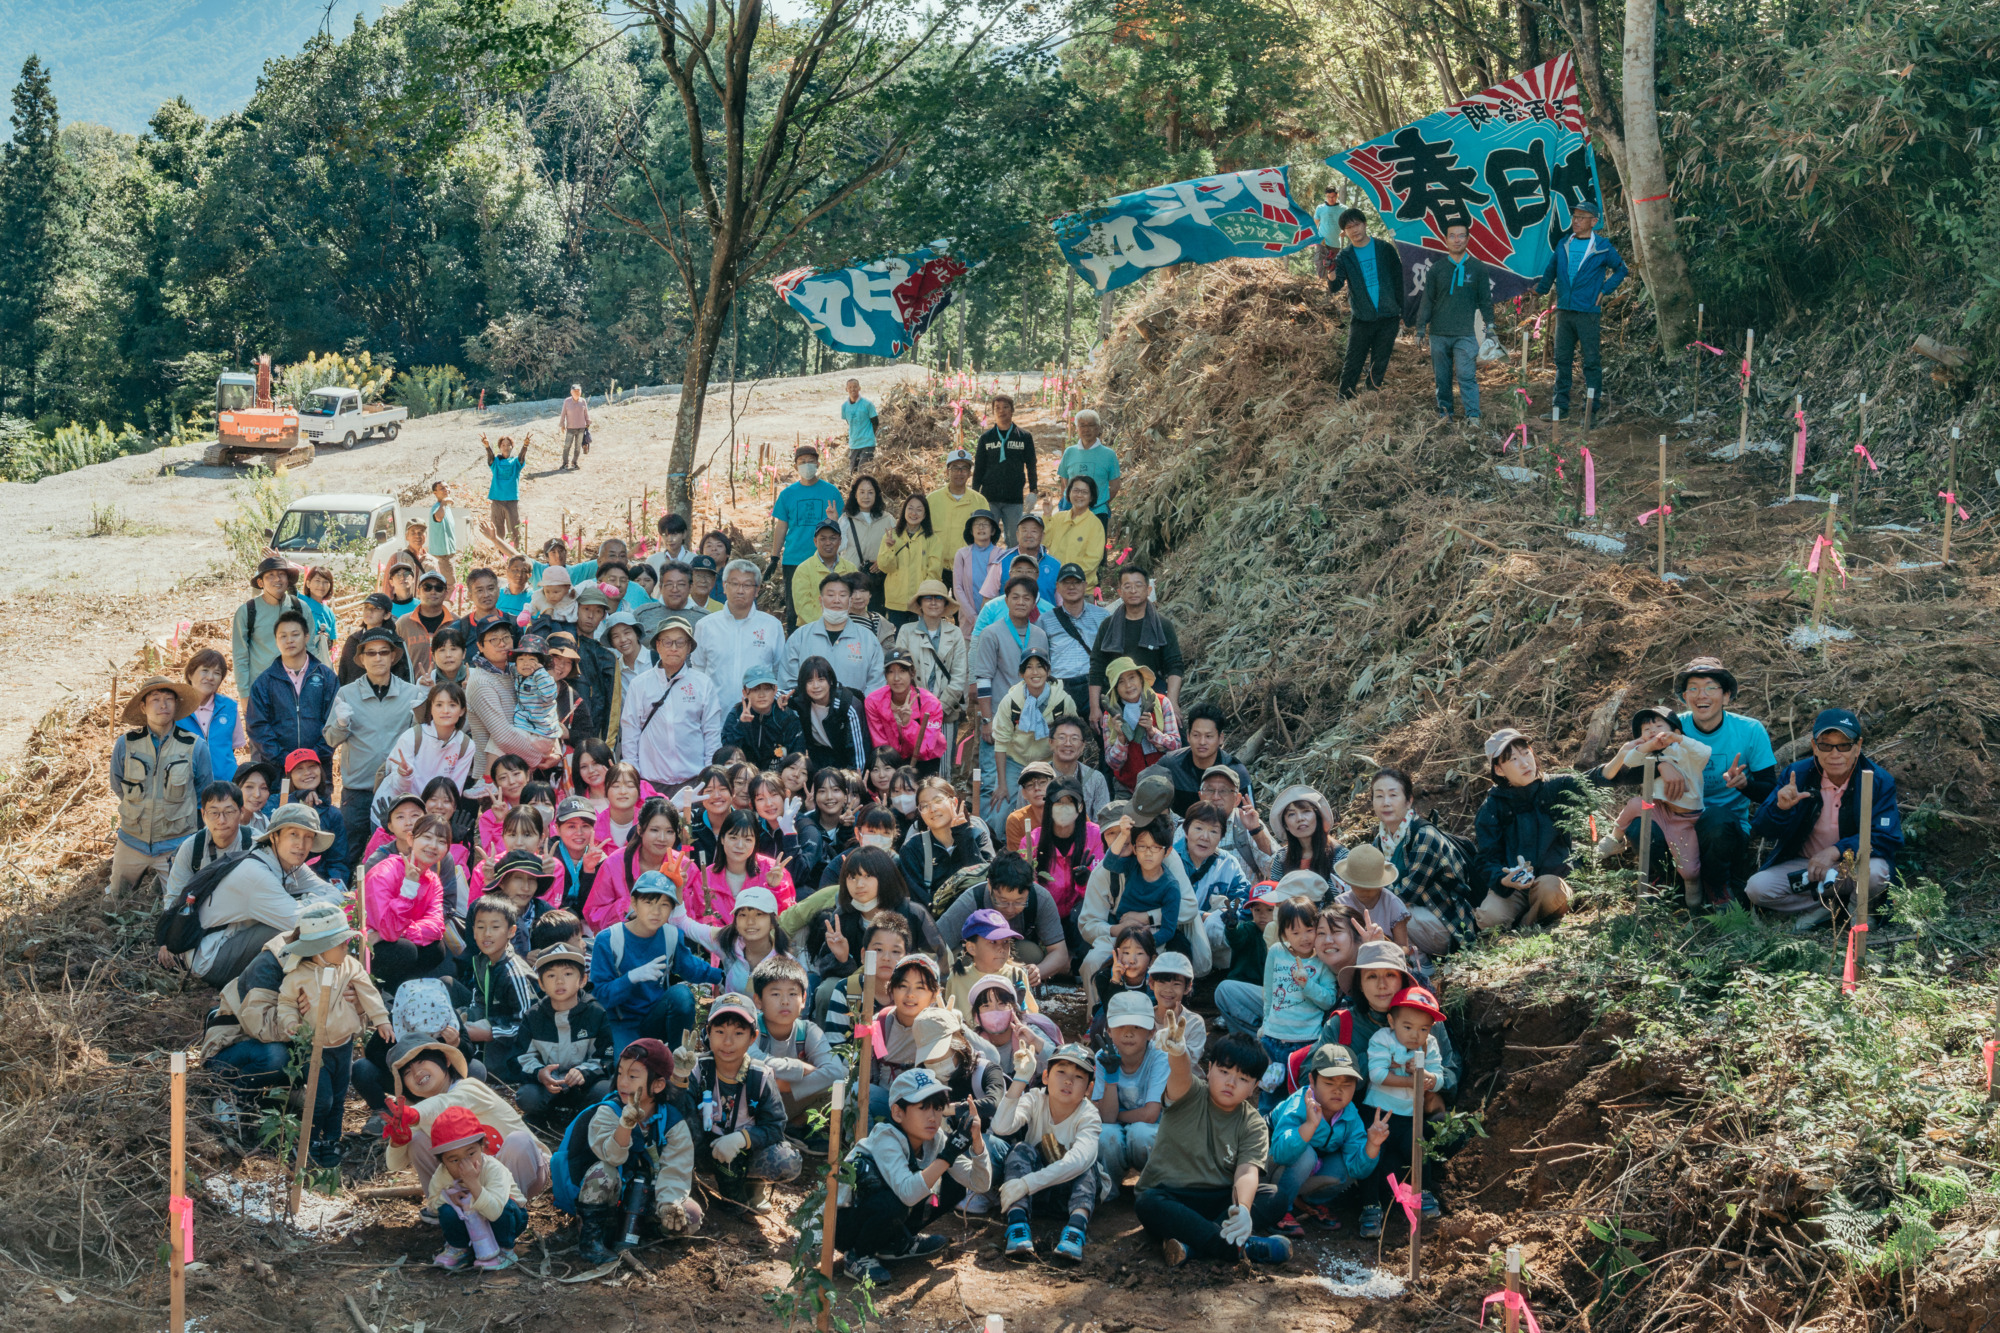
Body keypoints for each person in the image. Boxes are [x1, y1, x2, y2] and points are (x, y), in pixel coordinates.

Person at [201, 901, 392, 1162]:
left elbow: (351, 1015)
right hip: (235, 1045)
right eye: (337, 943)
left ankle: (287, 1098)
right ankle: (232, 1096)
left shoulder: (338, 963)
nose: (344, 948)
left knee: (329, 1088)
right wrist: (304, 1013)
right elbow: (259, 1025)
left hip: (304, 1043)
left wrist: (353, 1004)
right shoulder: (272, 963)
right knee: (276, 1057)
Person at [1132, 1017, 1290, 1267]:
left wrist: (1244, 1210)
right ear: (1209, 1069)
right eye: (1224, 1071)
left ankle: (1191, 1246)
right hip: (1171, 1196)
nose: (1230, 1082)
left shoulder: (1253, 1123)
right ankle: (1237, 1248)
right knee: (1148, 1203)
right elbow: (1180, 1072)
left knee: (1275, 1196)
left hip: (1218, 1201)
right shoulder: (1189, 1093)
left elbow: (1247, 1172)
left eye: (1243, 1078)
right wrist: (1179, 1050)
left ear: (1255, 1087)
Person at [1746, 708, 1901, 929]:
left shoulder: (1878, 781)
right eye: (1826, 745)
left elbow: (1887, 837)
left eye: (1844, 745)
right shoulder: (1797, 775)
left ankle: (1859, 910)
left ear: (1858, 747)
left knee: (1876, 872)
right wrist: (1780, 808)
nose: (1835, 754)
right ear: (1814, 747)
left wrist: (1836, 851)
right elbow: (1764, 828)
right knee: (1757, 888)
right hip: (1807, 868)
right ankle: (1823, 907)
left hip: (1851, 866)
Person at [834, 1066, 991, 1283]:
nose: (932, 1117)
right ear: (898, 1113)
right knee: (896, 1198)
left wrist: (977, 1142)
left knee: (954, 1186)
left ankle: (896, 1243)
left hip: (883, 1213)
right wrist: (949, 1155)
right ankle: (859, 1255)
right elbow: (907, 1194)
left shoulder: (936, 1140)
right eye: (923, 1108)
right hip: (844, 1224)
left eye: (937, 1108)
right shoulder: (886, 1137)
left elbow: (979, 1183)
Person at [164, 801, 344, 987]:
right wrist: (312, 901)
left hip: (236, 939)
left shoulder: (289, 862)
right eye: (293, 834)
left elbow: (334, 893)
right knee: (290, 933)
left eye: (308, 837)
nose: (301, 844)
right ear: (274, 837)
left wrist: (310, 901)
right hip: (210, 957)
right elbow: (298, 922)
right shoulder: (256, 873)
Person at [554, 1039, 701, 1263]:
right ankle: (592, 1239)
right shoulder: (608, 1111)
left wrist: (669, 1204)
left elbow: (676, 1169)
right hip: (611, 1197)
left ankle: (648, 1230)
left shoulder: (671, 1121)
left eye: (633, 1076)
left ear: (658, 1085)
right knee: (603, 1172)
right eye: (620, 1073)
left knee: (689, 1216)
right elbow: (611, 1157)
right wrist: (625, 1126)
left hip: (648, 1194)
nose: (623, 1082)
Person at [674, 991, 803, 1212]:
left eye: (739, 1033)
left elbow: (774, 1127)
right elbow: (676, 1115)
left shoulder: (760, 1076)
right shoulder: (695, 1068)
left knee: (787, 1161)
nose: (727, 1041)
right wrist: (678, 1079)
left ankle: (752, 1184)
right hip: (703, 1148)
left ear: (753, 1037)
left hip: (743, 1149)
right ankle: (686, 1186)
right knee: (677, 1131)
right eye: (720, 1031)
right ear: (708, 1033)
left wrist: (741, 1139)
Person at [1673, 656, 1779, 907]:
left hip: (1728, 827)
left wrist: (1745, 785)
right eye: (1694, 688)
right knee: (1641, 825)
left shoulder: (1750, 730)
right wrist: (1665, 766)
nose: (1702, 695)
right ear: (1684, 697)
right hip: (1678, 822)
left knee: (1716, 819)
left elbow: (1769, 790)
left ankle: (1717, 888)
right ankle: (1662, 890)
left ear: (1727, 696)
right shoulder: (1673, 728)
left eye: (1711, 687)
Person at [1344, 767, 1476, 959]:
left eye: (1393, 795)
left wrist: (1362, 897)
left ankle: (1416, 959)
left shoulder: (1425, 836)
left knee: (1387, 911)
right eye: (1379, 796)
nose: (1386, 802)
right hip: (1417, 921)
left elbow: (1406, 894)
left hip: (1448, 926)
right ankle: (1414, 957)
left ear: (1409, 800)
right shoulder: (1380, 840)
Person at [1591, 706, 1713, 907]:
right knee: (1634, 804)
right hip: (1660, 810)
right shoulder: (1648, 756)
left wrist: (1678, 740)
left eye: (1658, 725)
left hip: (1685, 819)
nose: (1653, 731)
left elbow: (1705, 751)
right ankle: (1615, 838)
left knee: (1689, 870)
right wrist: (1647, 747)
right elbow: (1630, 759)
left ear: (1676, 731)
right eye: (1646, 729)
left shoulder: (1684, 751)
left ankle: (1693, 890)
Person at [323, 627, 425, 869]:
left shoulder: (411, 693)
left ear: (393, 656)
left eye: (383, 652)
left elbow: (421, 739)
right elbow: (330, 739)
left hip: (396, 789)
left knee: (399, 854)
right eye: (371, 653)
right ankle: (347, 897)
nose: (377, 658)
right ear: (362, 659)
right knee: (349, 851)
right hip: (358, 788)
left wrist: (422, 712)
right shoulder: (346, 694)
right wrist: (341, 724)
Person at [993, 1039, 1100, 1261]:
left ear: (1089, 1088)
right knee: (1021, 1149)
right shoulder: (1034, 1099)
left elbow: (1077, 1161)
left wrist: (1024, 1184)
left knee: (1087, 1166)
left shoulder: (1089, 1115)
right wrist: (1020, 1080)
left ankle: (1075, 1230)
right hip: (1034, 1197)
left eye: (1079, 1077)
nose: (1068, 1081)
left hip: (1068, 1197)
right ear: (1045, 1077)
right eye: (1061, 1071)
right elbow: (1000, 1127)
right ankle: (1017, 1224)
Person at [591, 869, 720, 1052]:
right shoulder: (608, 939)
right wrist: (630, 978)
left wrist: (724, 974)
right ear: (634, 903)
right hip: (621, 1022)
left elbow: (692, 967)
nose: (656, 911)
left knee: (681, 994)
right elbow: (600, 996)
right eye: (648, 902)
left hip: (656, 1017)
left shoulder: (671, 935)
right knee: (627, 1068)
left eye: (664, 905)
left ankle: (678, 1058)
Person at [109, 675, 214, 898]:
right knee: (114, 902)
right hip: (132, 840)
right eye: (155, 699)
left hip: (176, 844)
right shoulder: (126, 744)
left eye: (169, 699)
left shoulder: (194, 746)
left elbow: (204, 792)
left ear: (176, 705)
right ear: (143, 706)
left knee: (179, 905)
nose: (163, 705)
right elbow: (118, 784)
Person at [1266, 1043, 1390, 1231]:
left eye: (1346, 1085)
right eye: (1329, 1083)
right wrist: (1309, 1126)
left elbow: (1358, 1171)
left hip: (1305, 1172)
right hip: (1270, 1170)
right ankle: (1278, 1207)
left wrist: (1372, 1145)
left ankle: (1310, 1201)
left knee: (1347, 1165)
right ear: (1312, 1081)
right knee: (1307, 1155)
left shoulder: (1350, 1115)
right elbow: (1281, 1153)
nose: (1337, 1091)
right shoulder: (1299, 1104)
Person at [1473, 727, 1584, 931]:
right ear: (1498, 769)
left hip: (1553, 879)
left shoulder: (1553, 787)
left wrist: (1625, 758)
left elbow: (1594, 779)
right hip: (1514, 889)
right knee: (1488, 918)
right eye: (1513, 759)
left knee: (1553, 891)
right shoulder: (1491, 808)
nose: (1524, 763)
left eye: (1526, 753)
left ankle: (1523, 926)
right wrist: (1503, 879)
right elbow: (1485, 860)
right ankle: (1532, 919)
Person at [1536, 198, 1629, 417]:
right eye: (1574, 217)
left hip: (1588, 311)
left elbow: (1621, 270)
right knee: (1562, 360)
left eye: (1581, 217)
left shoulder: (1602, 247)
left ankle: (1591, 411)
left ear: (1594, 221)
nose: (1575, 221)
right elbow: (1551, 270)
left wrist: (1604, 291)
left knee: (1591, 362)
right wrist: (1540, 290)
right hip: (1565, 310)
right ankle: (1559, 409)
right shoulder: (1564, 243)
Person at [512, 941, 615, 1132]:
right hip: (548, 1086)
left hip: (583, 1086)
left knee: (605, 1091)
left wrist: (584, 1072)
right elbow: (521, 1057)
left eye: (568, 974)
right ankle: (547, 1116)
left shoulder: (595, 1013)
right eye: (551, 976)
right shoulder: (533, 1017)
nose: (560, 981)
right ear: (541, 983)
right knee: (526, 1096)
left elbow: (606, 1057)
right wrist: (540, 1073)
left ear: (582, 980)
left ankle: (580, 1117)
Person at [619, 618, 721, 795]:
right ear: (658, 646)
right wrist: (633, 775)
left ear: (689, 648)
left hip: (694, 780)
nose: (673, 648)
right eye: (667, 642)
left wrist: (709, 776)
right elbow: (630, 732)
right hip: (650, 782)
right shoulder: (639, 684)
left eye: (680, 642)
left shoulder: (703, 684)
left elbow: (711, 733)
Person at [423, 1105, 531, 1271]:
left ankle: (505, 1249)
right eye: (454, 1160)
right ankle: (460, 1248)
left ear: (482, 1146)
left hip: (505, 1220)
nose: (464, 1164)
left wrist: (473, 1184)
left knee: (506, 1207)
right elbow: (432, 1206)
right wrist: (448, 1198)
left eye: (471, 1154)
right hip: (470, 1222)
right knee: (446, 1210)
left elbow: (495, 1212)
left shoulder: (493, 1169)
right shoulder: (442, 1174)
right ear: (442, 1161)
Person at [751, 954, 847, 1141]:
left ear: (803, 999)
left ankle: (795, 1125)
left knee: (841, 1083)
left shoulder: (807, 1030)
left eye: (792, 994)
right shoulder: (751, 1027)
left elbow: (836, 1071)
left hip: (791, 1101)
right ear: (758, 1000)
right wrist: (800, 1067)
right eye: (775, 994)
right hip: (755, 1104)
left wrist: (789, 1086)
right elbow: (751, 1059)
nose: (785, 1001)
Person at [1414, 222, 1495, 422]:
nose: (1456, 240)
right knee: (1442, 378)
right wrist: (1420, 329)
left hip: (1465, 333)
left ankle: (1473, 417)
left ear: (1468, 239)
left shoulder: (1478, 268)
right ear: (1445, 240)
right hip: (1438, 333)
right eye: (1452, 236)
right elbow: (1427, 301)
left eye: (1461, 236)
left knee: (1466, 376)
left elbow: (1485, 301)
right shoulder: (1437, 269)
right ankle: (1445, 414)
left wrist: (1491, 328)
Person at [1087, 566, 1183, 727]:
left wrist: (1172, 701)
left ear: (1148, 589)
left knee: (1173, 742)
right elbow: (1097, 666)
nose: (1133, 590)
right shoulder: (1108, 626)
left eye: (1138, 585)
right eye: (1127, 586)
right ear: (1120, 592)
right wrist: (1095, 707)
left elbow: (1175, 666)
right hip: (1117, 696)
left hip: (1153, 694)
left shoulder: (1162, 625)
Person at [1327, 207, 1407, 399]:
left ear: (1365, 224)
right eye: (1349, 227)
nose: (1354, 230)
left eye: (1357, 224)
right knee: (1353, 360)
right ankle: (1344, 399)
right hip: (1362, 317)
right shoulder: (1345, 257)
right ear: (1344, 232)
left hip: (1389, 315)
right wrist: (1330, 270)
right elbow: (1335, 286)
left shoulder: (1384, 249)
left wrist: (1403, 311)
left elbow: (1399, 280)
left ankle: (1371, 398)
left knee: (1380, 361)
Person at [465, 620, 559, 781]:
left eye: (506, 637)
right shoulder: (481, 682)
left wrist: (553, 748)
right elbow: (503, 736)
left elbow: (542, 710)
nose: (502, 644)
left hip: (520, 772)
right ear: (480, 646)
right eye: (494, 639)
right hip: (493, 778)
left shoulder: (517, 672)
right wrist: (541, 758)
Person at [232, 557, 324, 716]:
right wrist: (244, 695)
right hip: (262, 691)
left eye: (281, 574)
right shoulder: (247, 612)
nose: (277, 579)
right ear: (261, 583)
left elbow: (311, 650)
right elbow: (240, 656)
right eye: (270, 575)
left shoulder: (301, 608)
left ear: (288, 579)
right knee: (263, 739)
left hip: (297, 691)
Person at [768, 444, 845, 633]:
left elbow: (843, 525)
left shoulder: (831, 492)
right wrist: (774, 556)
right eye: (802, 462)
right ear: (795, 467)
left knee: (827, 605)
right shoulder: (787, 494)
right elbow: (782, 526)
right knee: (795, 610)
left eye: (811, 462)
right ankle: (797, 648)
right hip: (794, 559)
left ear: (818, 464)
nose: (807, 465)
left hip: (825, 559)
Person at [458, 896, 538, 1077]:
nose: (487, 933)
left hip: (514, 1046)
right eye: (480, 927)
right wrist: (464, 1018)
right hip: (490, 1024)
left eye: (495, 927)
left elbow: (527, 1025)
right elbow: (478, 1000)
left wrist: (490, 1033)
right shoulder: (482, 960)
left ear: (511, 931)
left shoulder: (514, 973)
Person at [692, 559, 785, 704]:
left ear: (757, 590)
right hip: (715, 715)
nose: (740, 590)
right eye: (734, 584)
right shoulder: (705, 626)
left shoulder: (772, 626)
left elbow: (779, 671)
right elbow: (698, 670)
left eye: (747, 585)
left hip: (759, 717)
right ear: (724, 586)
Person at [781, 573, 886, 698]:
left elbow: (876, 684)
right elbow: (787, 682)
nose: (836, 600)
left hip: (855, 713)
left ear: (850, 600)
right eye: (830, 595)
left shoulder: (868, 639)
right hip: (807, 714)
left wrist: (858, 708)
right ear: (821, 600)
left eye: (842, 595)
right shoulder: (800, 637)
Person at [898, 776, 995, 911]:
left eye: (938, 801)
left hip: (979, 914)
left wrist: (963, 835)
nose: (932, 809)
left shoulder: (976, 835)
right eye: (924, 806)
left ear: (954, 803)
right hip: (935, 922)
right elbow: (919, 902)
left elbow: (986, 881)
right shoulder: (912, 848)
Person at [161, 781, 255, 909]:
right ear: (203, 815)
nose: (221, 820)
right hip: (202, 919)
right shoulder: (192, 847)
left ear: (241, 812)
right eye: (213, 813)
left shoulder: (255, 844)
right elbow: (174, 898)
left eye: (229, 812)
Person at [1158, 702, 1253, 816]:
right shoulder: (1171, 764)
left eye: (1209, 736)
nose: (1202, 742)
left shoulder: (1236, 772)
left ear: (1220, 738)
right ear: (1188, 736)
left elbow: (1251, 819)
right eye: (1196, 735)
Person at [1100, 657, 1178, 795]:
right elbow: (1113, 763)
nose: (1128, 685)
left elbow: (1176, 746)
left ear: (1140, 679)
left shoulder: (1161, 703)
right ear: (1116, 688)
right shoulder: (1109, 715)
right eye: (1121, 682)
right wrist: (1120, 739)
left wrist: (1152, 731)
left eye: (1132, 678)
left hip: (1163, 783)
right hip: (1128, 788)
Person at [866, 648, 947, 776]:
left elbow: (925, 749)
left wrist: (908, 724)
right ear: (885, 675)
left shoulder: (931, 703)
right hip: (891, 760)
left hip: (925, 760)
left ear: (912, 673)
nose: (896, 678)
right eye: (891, 672)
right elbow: (880, 745)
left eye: (902, 671)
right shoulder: (874, 701)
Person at [972, 394, 1039, 544]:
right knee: (986, 540)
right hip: (989, 498)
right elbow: (979, 468)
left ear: (1012, 410)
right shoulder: (986, 438)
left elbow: (1031, 465)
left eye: (1005, 407)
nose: (1001, 411)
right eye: (997, 408)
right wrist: (974, 494)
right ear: (993, 412)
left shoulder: (1024, 437)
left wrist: (1033, 490)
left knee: (1014, 541)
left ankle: (1011, 567)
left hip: (1014, 498)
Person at [876, 497, 942, 633]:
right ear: (904, 511)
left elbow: (934, 572)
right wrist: (890, 548)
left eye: (919, 510)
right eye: (910, 508)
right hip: (896, 600)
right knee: (897, 645)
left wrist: (924, 598)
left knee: (920, 643)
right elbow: (885, 567)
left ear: (925, 515)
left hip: (920, 603)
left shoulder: (932, 539)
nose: (914, 513)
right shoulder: (892, 535)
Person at [182, 649, 245, 783]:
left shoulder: (229, 707)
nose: (210, 677)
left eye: (217, 673)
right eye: (205, 670)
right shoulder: (177, 709)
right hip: (187, 788)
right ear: (190, 674)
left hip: (225, 786)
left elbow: (232, 747)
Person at [927, 448, 988, 576]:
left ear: (969, 473)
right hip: (936, 567)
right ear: (946, 472)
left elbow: (987, 536)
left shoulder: (980, 501)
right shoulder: (932, 500)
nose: (959, 473)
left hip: (967, 567)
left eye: (964, 468)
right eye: (955, 468)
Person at [790, 520, 860, 627]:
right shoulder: (804, 570)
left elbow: (858, 601)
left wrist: (844, 626)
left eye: (833, 538)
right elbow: (803, 607)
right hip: (812, 630)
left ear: (840, 541)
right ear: (815, 541)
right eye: (823, 539)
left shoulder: (851, 568)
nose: (828, 543)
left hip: (846, 629)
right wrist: (829, 626)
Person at [1057, 410, 1119, 520]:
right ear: (1077, 429)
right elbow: (1064, 480)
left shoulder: (1109, 455)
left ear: (1098, 428)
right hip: (1071, 511)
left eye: (1091, 425)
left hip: (1098, 512)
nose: (1086, 429)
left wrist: (1099, 502)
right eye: (1082, 426)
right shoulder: (1069, 452)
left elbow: (1114, 486)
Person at [1042, 481, 1105, 583]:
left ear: (1091, 497)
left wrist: (1069, 577)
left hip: (1080, 587)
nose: (1079, 495)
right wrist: (1047, 515)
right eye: (1076, 490)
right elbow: (1044, 542)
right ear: (1069, 493)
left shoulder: (1095, 524)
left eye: (1084, 492)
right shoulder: (1058, 517)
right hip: (1054, 583)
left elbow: (1093, 559)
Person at [839, 378, 879, 470]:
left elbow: (875, 422)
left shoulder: (867, 404)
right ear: (846, 389)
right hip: (854, 444)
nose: (853, 389)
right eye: (850, 387)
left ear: (859, 388)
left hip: (867, 443)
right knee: (853, 472)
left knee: (863, 471)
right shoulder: (844, 407)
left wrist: (869, 435)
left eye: (855, 387)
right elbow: (850, 422)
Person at [559, 384, 590, 469]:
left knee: (577, 447)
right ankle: (565, 463)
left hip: (581, 428)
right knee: (567, 446)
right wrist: (562, 424)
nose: (577, 393)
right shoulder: (567, 401)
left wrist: (588, 422)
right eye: (575, 391)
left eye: (579, 391)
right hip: (570, 428)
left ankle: (574, 462)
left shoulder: (583, 401)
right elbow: (563, 413)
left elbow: (586, 413)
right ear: (571, 392)